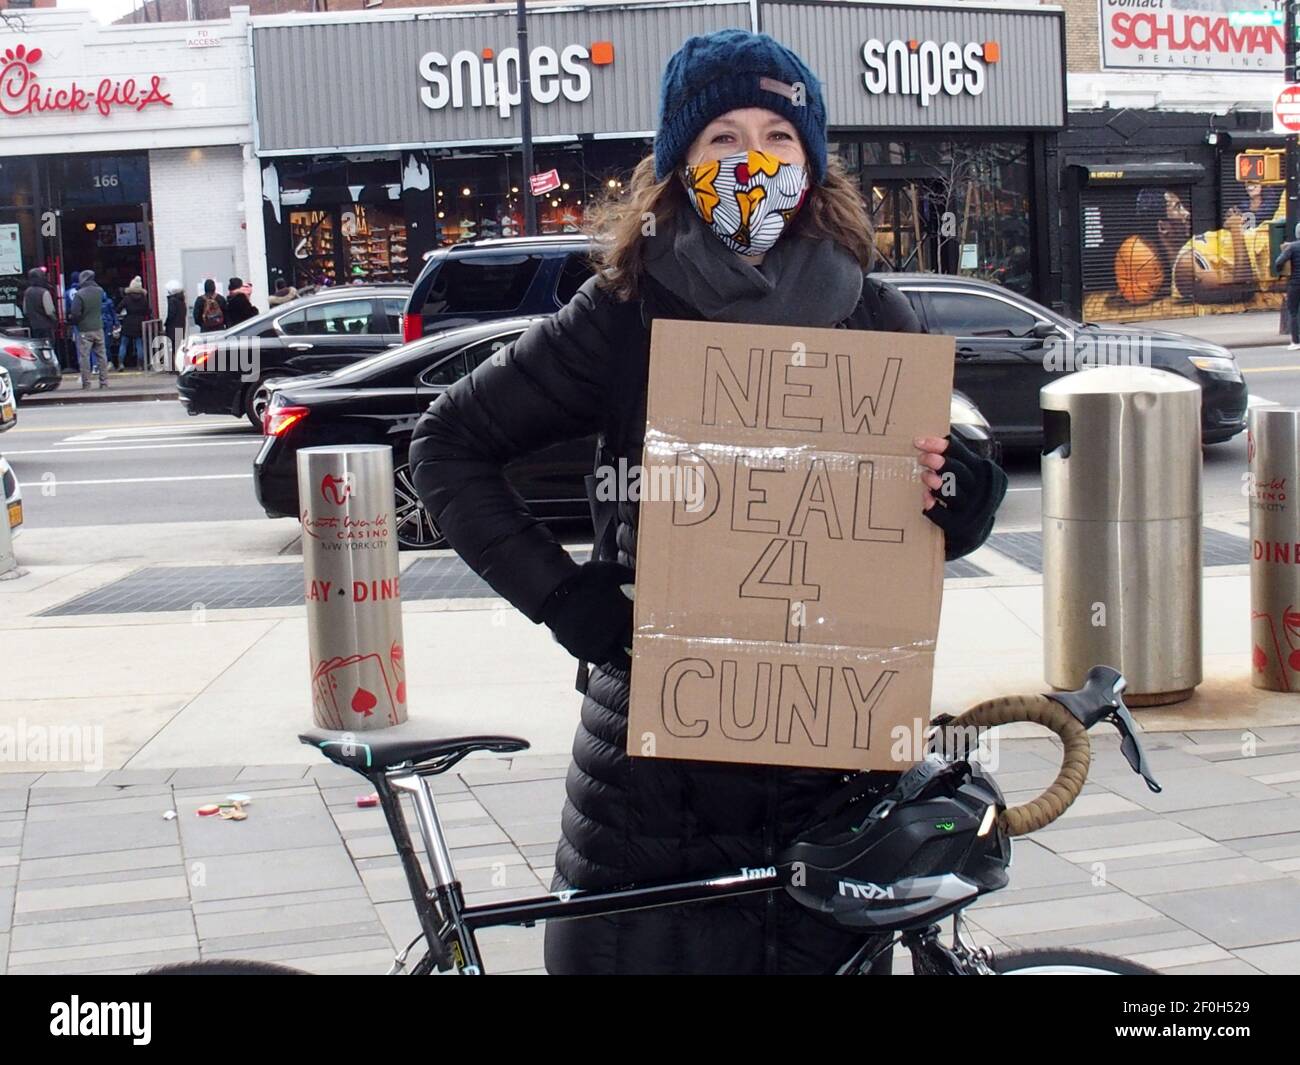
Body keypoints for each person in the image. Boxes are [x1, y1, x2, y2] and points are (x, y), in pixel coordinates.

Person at [408, 29, 1007, 976]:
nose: (753, 160)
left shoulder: (875, 314)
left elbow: (946, 485)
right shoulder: (626, 312)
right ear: (679, 164)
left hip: (829, 782)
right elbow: (447, 445)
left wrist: (964, 493)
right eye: (723, 138)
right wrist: (570, 603)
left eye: (778, 134)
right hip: (652, 795)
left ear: (812, 162)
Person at [69, 269, 109, 390]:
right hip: (98, 327)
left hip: (84, 329)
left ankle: (86, 383)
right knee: (102, 356)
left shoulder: (79, 294)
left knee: (84, 357)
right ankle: (104, 382)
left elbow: (75, 313)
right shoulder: (100, 291)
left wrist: (72, 320)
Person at [1274, 223, 1300, 350]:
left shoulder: (1292, 247)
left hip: (1295, 283)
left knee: (1293, 312)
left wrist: (1280, 271)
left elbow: (1279, 262)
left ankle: (1296, 342)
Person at [116, 275, 151, 370]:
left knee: (123, 344)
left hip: (128, 322)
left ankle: (121, 364)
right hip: (140, 323)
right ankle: (140, 365)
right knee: (139, 344)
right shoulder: (144, 299)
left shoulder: (127, 298)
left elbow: (118, 308)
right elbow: (148, 311)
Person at [21, 267, 57, 343]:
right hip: (46, 327)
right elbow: (49, 311)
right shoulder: (44, 292)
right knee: (48, 347)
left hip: (33, 326)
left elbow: (25, 311)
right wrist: (55, 320)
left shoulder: (27, 292)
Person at [163, 279, 186, 364]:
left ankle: (174, 366)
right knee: (178, 347)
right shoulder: (182, 301)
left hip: (173, 328)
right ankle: (179, 365)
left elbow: (171, 315)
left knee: (172, 347)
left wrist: (166, 323)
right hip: (180, 326)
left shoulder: (172, 301)